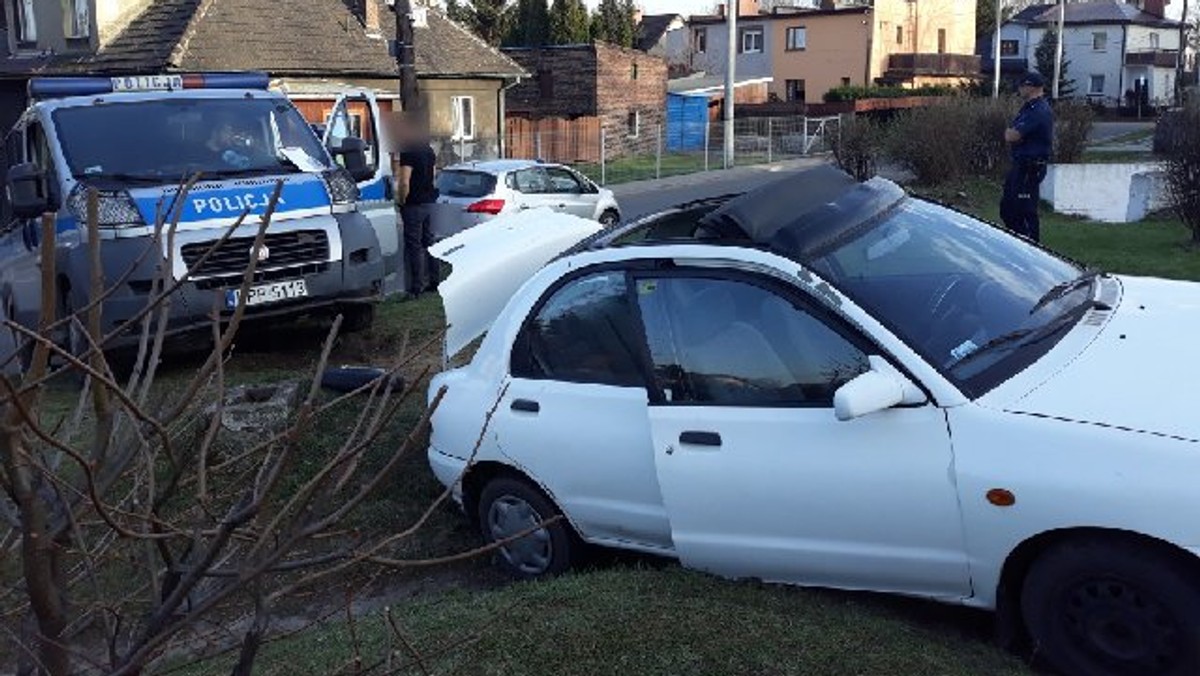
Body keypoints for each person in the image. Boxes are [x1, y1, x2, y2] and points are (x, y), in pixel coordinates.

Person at [1001, 71, 1054, 243]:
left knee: (1024, 209)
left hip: (1030, 167)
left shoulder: (1039, 110)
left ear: (1031, 87)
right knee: (1008, 208)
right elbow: (1011, 132)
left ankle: (1030, 244)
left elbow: (1012, 135)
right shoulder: (1027, 108)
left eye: (1023, 86)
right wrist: (1013, 134)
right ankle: (1016, 242)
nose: (1020, 89)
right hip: (1020, 164)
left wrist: (1014, 134)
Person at [396, 109, 440, 298]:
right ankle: (435, 281)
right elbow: (434, 175)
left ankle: (417, 287)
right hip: (430, 201)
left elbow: (404, 181)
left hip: (414, 204)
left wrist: (401, 200)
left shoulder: (408, 151)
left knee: (414, 246)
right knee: (429, 242)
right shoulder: (428, 150)